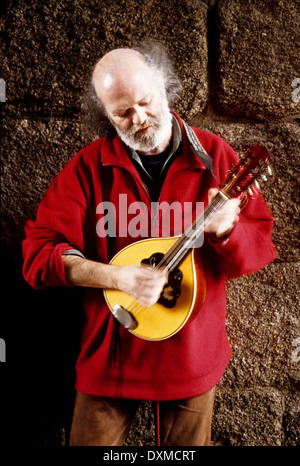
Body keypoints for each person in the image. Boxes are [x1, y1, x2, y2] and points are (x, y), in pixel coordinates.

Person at [22, 41, 276, 446]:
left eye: (146, 101)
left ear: (164, 85)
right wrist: (114, 276)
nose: (138, 118)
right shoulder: (88, 167)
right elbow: (37, 255)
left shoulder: (213, 156)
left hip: (191, 354)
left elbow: (260, 248)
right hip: (110, 354)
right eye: (122, 112)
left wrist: (228, 230)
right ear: (105, 113)